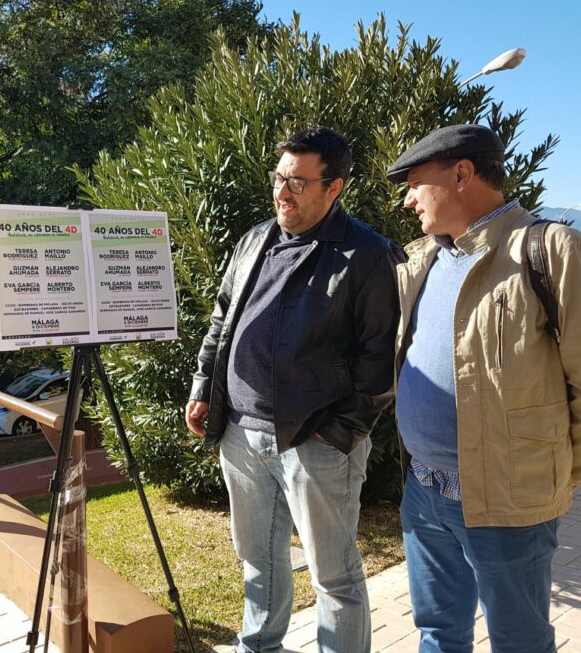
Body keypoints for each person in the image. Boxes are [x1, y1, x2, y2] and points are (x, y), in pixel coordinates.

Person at [187, 127, 401, 653]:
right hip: (241, 431)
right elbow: (222, 320)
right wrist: (203, 387)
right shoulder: (254, 239)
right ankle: (259, 645)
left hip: (316, 440)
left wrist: (341, 431)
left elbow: (384, 358)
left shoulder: (369, 256)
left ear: (335, 188)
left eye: (299, 183)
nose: (283, 192)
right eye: (280, 178)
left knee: (334, 576)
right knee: (258, 557)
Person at [389, 124, 580, 653]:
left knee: (519, 641)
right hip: (423, 491)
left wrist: (553, 478)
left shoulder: (549, 250)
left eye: (415, 184)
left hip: (507, 501)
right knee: (437, 632)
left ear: (462, 174)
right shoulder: (423, 259)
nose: (407, 200)